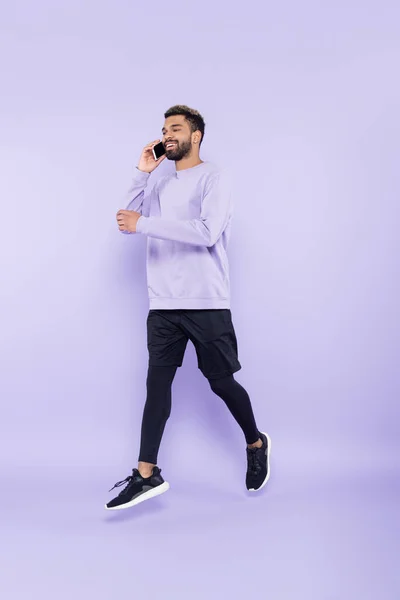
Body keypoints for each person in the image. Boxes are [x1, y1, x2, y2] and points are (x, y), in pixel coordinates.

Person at [107, 105, 271, 510]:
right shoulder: (160, 183)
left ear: (195, 135)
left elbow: (206, 232)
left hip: (206, 301)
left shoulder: (216, 177)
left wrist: (143, 224)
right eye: (164, 130)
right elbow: (127, 216)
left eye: (175, 128)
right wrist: (143, 172)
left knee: (221, 383)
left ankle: (255, 441)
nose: (168, 135)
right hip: (163, 303)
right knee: (156, 388)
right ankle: (147, 473)